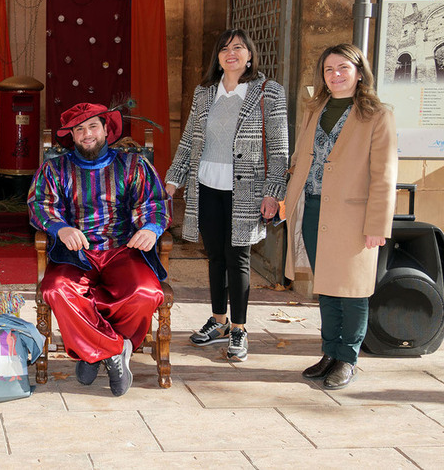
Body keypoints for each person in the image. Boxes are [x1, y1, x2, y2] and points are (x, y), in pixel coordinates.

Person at [28, 103, 170, 397]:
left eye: (93, 126)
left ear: (107, 129)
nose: (86, 134)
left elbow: (155, 203)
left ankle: (90, 350)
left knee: (147, 292)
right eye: (79, 129)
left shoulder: (133, 165)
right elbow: (39, 205)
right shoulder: (55, 168)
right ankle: (114, 351)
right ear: (72, 136)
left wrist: (150, 228)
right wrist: (59, 228)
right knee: (55, 289)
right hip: (75, 254)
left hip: (123, 250)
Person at [164, 28, 289, 362]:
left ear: (249, 55)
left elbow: (278, 150)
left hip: (247, 191)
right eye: (224, 49)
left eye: (238, 47)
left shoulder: (268, 92)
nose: (230, 53)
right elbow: (189, 138)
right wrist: (173, 180)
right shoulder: (205, 93)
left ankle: (239, 328)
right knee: (215, 256)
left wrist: (273, 193)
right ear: (217, 58)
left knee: (238, 258)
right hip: (206, 186)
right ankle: (218, 321)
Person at [284, 43, 397, 390]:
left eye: (343, 68)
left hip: (354, 214)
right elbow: (302, 155)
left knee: (353, 289)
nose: (335, 75)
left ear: (359, 72)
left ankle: (347, 358)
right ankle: (330, 351)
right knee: (327, 285)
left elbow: (385, 173)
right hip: (314, 205)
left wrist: (377, 225)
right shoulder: (314, 107)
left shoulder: (377, 114)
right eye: (329, 69)